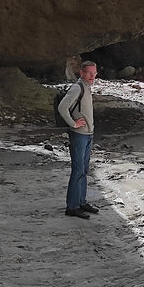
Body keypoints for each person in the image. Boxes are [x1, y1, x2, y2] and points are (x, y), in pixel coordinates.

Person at [58, 60, 100, 218]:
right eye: (89, 73)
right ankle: (72, 207)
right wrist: (73, 124)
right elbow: (62, 107)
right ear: (82, 73)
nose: (92, 76)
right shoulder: (77, 87)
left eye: (94, 73)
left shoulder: (87, 87)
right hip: (79, 135)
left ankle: (81, 202)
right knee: (77, 170)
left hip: (87, 134)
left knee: (84, 170)